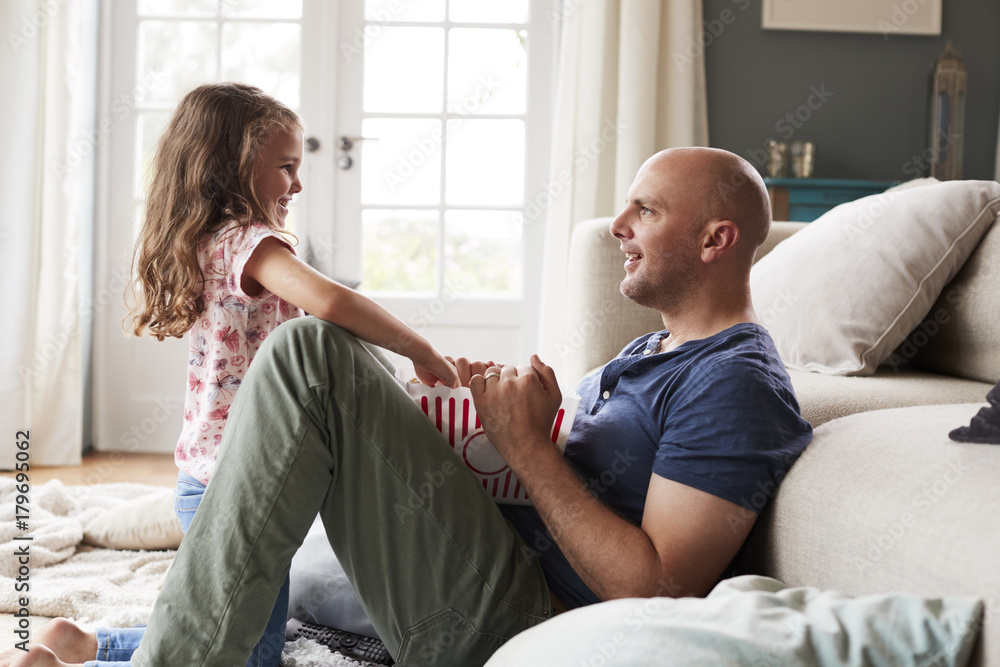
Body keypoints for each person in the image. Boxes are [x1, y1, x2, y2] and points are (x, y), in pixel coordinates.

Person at [23, 146, 813, 667]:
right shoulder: (651, 351)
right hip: (492, 563)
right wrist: (480, 426)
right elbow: (566, 479)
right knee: (325, 369)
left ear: (715, 240)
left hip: (519, 616)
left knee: (310, 352)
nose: (617, 225)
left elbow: (656, 588)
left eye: (646, 210)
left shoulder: (734, 381)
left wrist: (528, 445)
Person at [10, 82, 458, 667]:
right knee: (248, 655)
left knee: (226, 631)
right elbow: (331, 301)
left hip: (211, 477)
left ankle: (88, 645)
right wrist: (420, 349)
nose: (297, 185)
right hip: (241, 487)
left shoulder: (209, 241)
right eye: (286, 168)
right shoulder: (252, 243)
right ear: (236, 169)